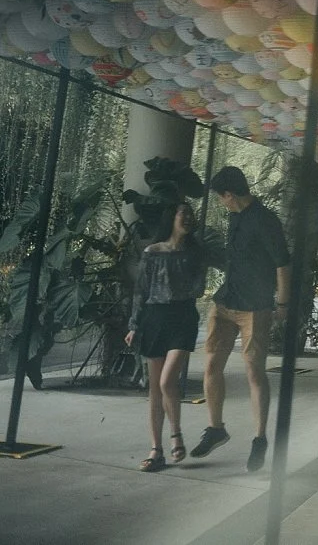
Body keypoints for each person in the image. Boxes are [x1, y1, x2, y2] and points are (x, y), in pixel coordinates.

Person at [190, 166, 290, 473]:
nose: (221, 202)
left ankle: (259, 439)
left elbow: (283, 263)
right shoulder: (234, 217)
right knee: (211, 366)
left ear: (229, 194)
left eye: (221, 197)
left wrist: (283, 303)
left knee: (253, 372)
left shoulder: (265, 220)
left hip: (254, 307)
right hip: (225, 302)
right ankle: (216, 428)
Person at [127, 202, 207, 473]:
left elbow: (198, 288)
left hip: (182, 318)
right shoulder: (152, 252)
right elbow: (140, 292)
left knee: (166, 381)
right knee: (154, 389)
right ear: (171, 217)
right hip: (154, 319)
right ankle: (156, 450)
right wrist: (133, 325)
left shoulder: (195, 254)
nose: (187, 218)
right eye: (182, 212)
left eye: (190, 215)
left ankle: (176, 434)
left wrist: (185, 263)